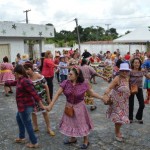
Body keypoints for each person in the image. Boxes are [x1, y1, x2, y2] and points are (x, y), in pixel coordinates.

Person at [48, 66, 107, 149]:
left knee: (82, 123)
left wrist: (101, 97)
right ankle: (73, 138)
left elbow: (92, 94)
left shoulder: (84, 84)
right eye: (69, 73)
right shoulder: (65, 83)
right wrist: (51, 105)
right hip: (69, 107)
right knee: (71, 122)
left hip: (80, 107)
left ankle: (86, 140)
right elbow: (57, 94)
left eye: (71, 74)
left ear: (77, 75)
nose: (68, 75)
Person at [1, 65, 47, 148]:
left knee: (27, 124)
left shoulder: (25, 81)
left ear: (18, 73)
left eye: (14, 73)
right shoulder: (20, 80)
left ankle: (34, 142)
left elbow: (34, 94)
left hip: (26, 106)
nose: (13, 74)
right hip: (22, 106)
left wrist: (41, 105)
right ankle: (22, 137)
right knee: (19, 119)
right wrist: (4, 83)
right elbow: (13, 83)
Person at [23, 62, 55, 136]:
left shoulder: (38, 76)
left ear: (30, 69)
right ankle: (36, 126)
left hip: (42, 98)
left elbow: (46, 87)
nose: (26, 72)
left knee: (45, 112)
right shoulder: (27, 78)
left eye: (26, 70)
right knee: (33, 113)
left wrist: (49, 98)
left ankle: (49, 128)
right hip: (32, 99)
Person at [104, 63, 131, 142]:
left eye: (126, 71)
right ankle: (117, 132)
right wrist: (105, 95)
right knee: (119, 118)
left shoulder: (127, 78)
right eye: (123, 71)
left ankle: (118, 131)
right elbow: (109, 87)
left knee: (122, 118)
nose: (125, 72)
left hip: (124, 103)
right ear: (120, 71)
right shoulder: (117, 78)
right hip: (116, 103)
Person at [129, 58, 150, 124]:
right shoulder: (130, 71)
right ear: (132, 63)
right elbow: (126, 80)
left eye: (138, 63)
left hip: (139, 89)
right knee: (131, 104)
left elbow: (148, 76)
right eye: (135, 63)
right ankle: (130, 118)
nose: (137, 64)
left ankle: (138, 117)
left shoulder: (142, 70)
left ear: (140, 63)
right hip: (131, 88)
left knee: (142, 105)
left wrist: (148, 73)